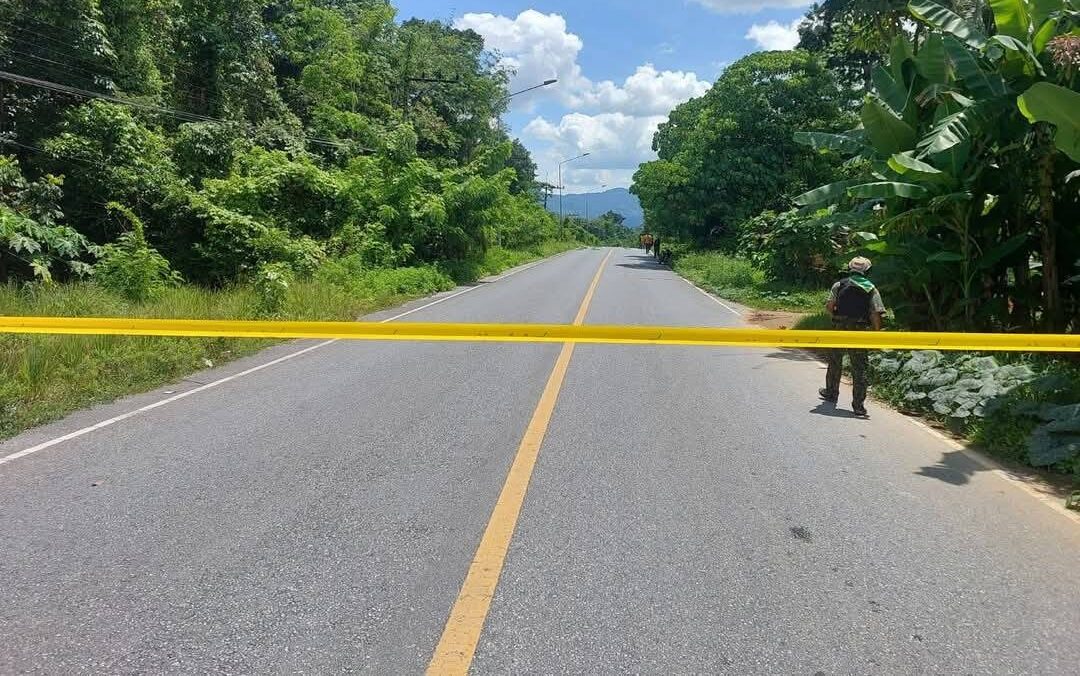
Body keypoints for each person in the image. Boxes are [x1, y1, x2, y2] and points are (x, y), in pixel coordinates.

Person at [819, 256, 885, 418]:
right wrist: (877, 332)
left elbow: (829, 305)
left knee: (835, 361)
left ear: (850, 269)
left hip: (839, 328)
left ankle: (831, 392)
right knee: (860, 367)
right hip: (859, 330)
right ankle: (858, 406)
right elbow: (875, 312)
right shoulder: (871, 288)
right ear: (867, 271)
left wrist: (836, 317)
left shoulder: (839, 285)